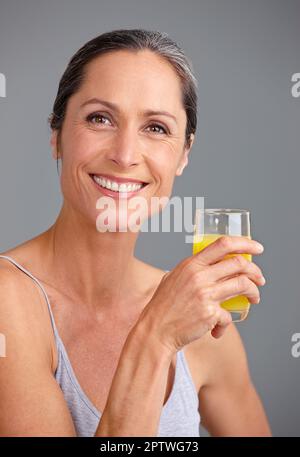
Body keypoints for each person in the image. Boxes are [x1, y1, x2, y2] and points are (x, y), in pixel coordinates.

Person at [0, 29, 271, 437]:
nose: (125, 155)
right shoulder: (9, 306)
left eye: (157, 128)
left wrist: (169, 318)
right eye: (100, 118)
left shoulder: (195, 313)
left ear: (183, 155)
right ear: (56, 135)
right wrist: (156, 335)